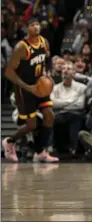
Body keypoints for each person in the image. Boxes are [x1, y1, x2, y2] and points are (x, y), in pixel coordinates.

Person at [2, 17, 59, 162]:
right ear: (27, 28)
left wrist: (48, 75)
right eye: (32, 25)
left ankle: (40, 151)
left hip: (39, 85)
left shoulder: (44, 42)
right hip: (24, 89)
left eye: (38, 24)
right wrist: (28, 88)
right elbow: (8, 72)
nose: (36, 27)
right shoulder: (21, 47)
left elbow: (47, 61)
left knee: (50, 116)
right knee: (31, 125)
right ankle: (9, 141)